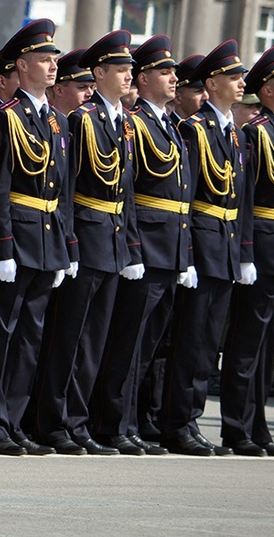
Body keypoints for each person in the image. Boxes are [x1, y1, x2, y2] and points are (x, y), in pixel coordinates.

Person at [34, 30, 139, 456]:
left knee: (93, 341)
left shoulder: (123, 124)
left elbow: (127, 193)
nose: (130, 75)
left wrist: (130, 247)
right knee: (67, 338)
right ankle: (53, 423)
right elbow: (67, 188)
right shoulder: (81, 119)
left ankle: (78, 423)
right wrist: (70, 244)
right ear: (99, 73)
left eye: (131, 68)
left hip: (112, 242)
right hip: (85, 237)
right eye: (122, 69)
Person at [0, 19, 71, 456]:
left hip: (47, 240)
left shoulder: (56, 122)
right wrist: (2, 247)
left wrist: (67, 247)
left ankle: (13, 421)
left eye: (54, 59)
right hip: (16, 237)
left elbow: (63, 192)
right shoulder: (4, 117)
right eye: (44, 59)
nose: (52, 66)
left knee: (29, 338)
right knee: (1, 335)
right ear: (21, 65)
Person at [91, 35, 187, 456]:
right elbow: (130, 190)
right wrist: (133, 247)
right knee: (126, 343)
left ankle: (130, 422)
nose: (174, 79)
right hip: (144, 242)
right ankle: (113, 423)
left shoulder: (170, 125)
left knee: (147, 345)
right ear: (144, 80)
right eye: (165, 72)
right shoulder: (134, 123)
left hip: (169, 245)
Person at [218, 45, 274, 457]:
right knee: (247, 346)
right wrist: (247, 253)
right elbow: (247, 199)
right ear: (268, 90)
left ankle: (259, 429)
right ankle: (238, 428)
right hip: (266, 249)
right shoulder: (256, 133)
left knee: (269, 349)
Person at [161, 40, 249, 457]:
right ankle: (177, 422)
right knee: (189, 341)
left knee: (208, 343)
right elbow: (186, 197)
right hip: (201, 244)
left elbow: (241, 200)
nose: (242, 84)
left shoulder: (233, 133)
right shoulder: (194, 130)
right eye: (234, 78)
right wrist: (189, 256)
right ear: (212, 84)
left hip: (226, 247)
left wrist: (243, 253)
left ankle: (191, 419)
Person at [49, 48, 95, 117]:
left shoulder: (92, 123)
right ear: (59, 90)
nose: (90, 94)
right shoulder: (46, 123)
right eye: (82, 87)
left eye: (92, 87)